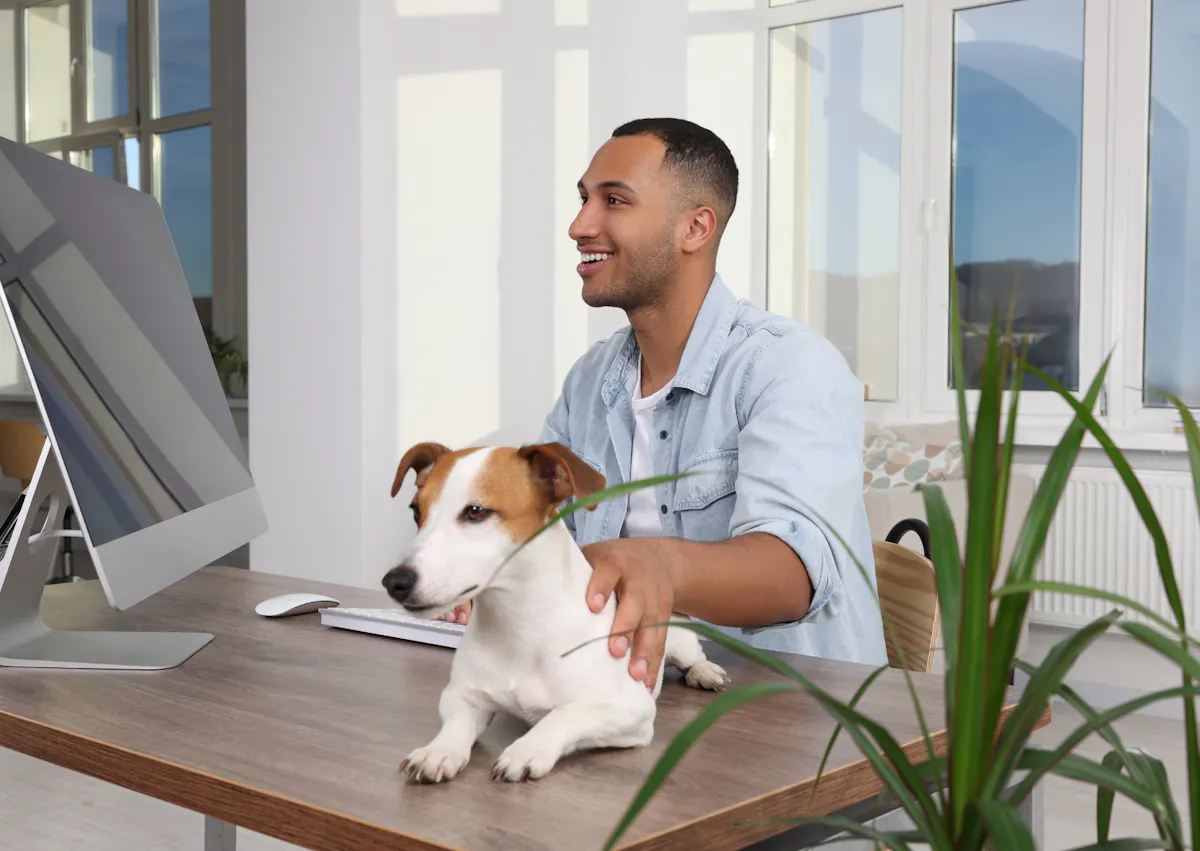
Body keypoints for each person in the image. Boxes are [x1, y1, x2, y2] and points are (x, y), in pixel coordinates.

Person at [446, 117, 887, 686]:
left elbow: (791, 574)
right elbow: (544, 542)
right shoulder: (589, 382)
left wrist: (655, 563)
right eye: (583, 199)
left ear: (695, 228)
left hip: (798, 725)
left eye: (614, 200)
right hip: (631, 702)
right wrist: (491, 582)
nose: (580, 225)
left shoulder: (788, 366)